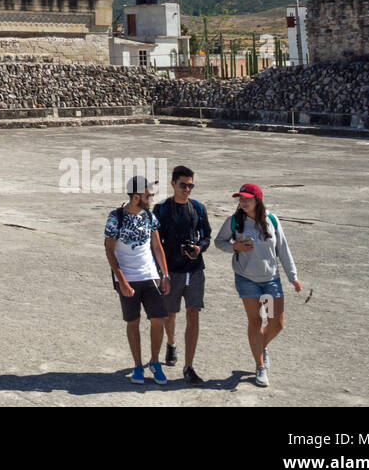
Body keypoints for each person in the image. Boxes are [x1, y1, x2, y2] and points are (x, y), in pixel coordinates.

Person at [215, 183, 302, 388]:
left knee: (276, 323)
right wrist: (234, 247)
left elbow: (283, 249)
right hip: (247, 280)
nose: (243, 202)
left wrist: (293, 277)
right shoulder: (234, 221)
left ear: (258, 200)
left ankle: (261, 347)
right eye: (241, 199)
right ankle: (259, 366)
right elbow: (219, 242)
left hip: (270, 280)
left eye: (247, 199)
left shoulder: (271, 220)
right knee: (255, 321)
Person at [104, 175, 171, 385]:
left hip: (149, 275)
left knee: (158, 319)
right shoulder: (116, 217)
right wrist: (121, 280)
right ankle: (137, 365)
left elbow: (157, 247)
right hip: (127, 277)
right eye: (148, 195)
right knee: (133, 322)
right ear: (136, 197)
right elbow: (109, 250)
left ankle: (154, 362)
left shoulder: (149, 217)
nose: (151, 198)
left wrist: (165, 274)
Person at [154, 165, 211, 386]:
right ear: (173, 184)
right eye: (183, 185)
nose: (187, 189)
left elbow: (206, 234)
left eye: (191, 185)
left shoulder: (198, 208)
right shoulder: (161, 210)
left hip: (195, 270)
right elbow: (155, 242)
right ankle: (171, 343)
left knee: (193, 314)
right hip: (172, 271)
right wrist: (161, 272)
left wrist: (199, 247)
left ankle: (189, 366)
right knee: (169, 314)